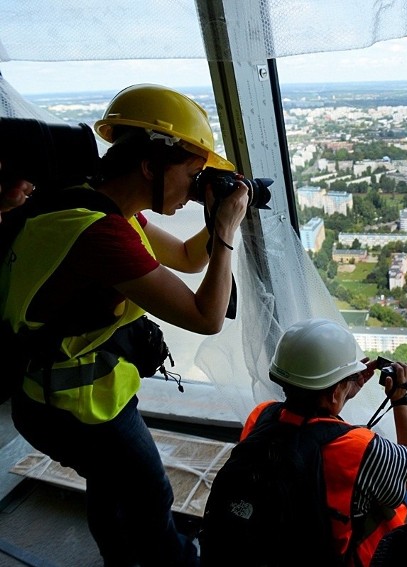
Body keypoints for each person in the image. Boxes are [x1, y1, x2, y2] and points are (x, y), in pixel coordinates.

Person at [1, 83, 248, 566]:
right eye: (192, 173)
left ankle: (118, 557)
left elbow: (184, 259)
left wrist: (216, 214)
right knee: (150, 495)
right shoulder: (100, 234)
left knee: (110, 485)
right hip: (76, 409)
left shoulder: (93, 203)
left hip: (51, 394)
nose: (194, 185)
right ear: (151, 166)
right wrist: (225, 231)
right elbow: (206, 316)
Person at [202, 317, 407, 566]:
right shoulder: (360, 448)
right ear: (333, 393)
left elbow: (310, 424)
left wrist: (342, 390)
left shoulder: (261, 416)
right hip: (323, 554)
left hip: (261, 546)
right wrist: (400, 399)